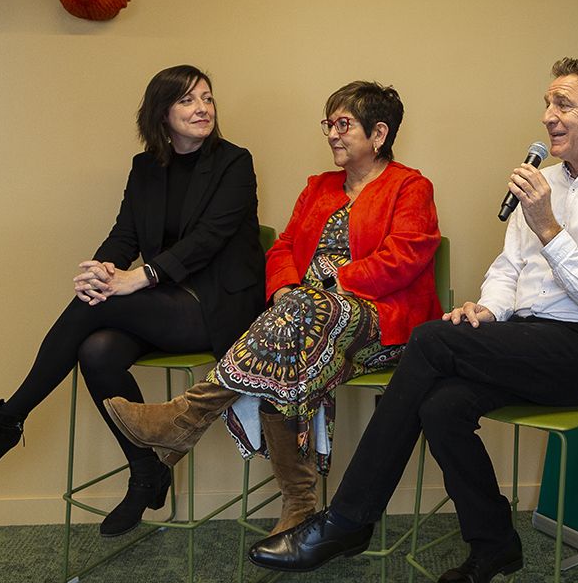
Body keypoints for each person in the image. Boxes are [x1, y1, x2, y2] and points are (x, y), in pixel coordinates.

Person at [246, 57, 578, 583]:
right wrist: (489, 310)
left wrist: (549, 227)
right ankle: (493, 542)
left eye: (563, 104)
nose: (548, 116)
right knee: (441, 407)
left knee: (429, 337)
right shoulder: (542, 182)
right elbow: (509, 268)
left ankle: (349, 520)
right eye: (548, 103)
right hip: (521, 340)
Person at [0, 65, 266, 537]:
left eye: (207, 98)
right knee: (95, 351)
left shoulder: (234, 162)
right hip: (163, 302)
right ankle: (146, 472)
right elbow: (125, 232)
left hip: (218, 306)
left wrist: (133, 279)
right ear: (161, 113)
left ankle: (4, 422)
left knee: (99, 306)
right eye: (187, 100)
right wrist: (102, 269)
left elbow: (209, 239)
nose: (202, 108)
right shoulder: (146, 167)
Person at [104, 81, 441, 534]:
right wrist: (285, 289)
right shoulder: (319, 188)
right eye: (329, 124)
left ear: (378, 134)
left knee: (300, 318)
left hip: (382, 324)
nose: (332, 135)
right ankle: (298, 506)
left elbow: (405, 258)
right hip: (304, 322)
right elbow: (282, 248)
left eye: (344, 124)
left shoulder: (410, 187)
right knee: (291, 341)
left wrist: (327, 282)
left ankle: (188, 417)